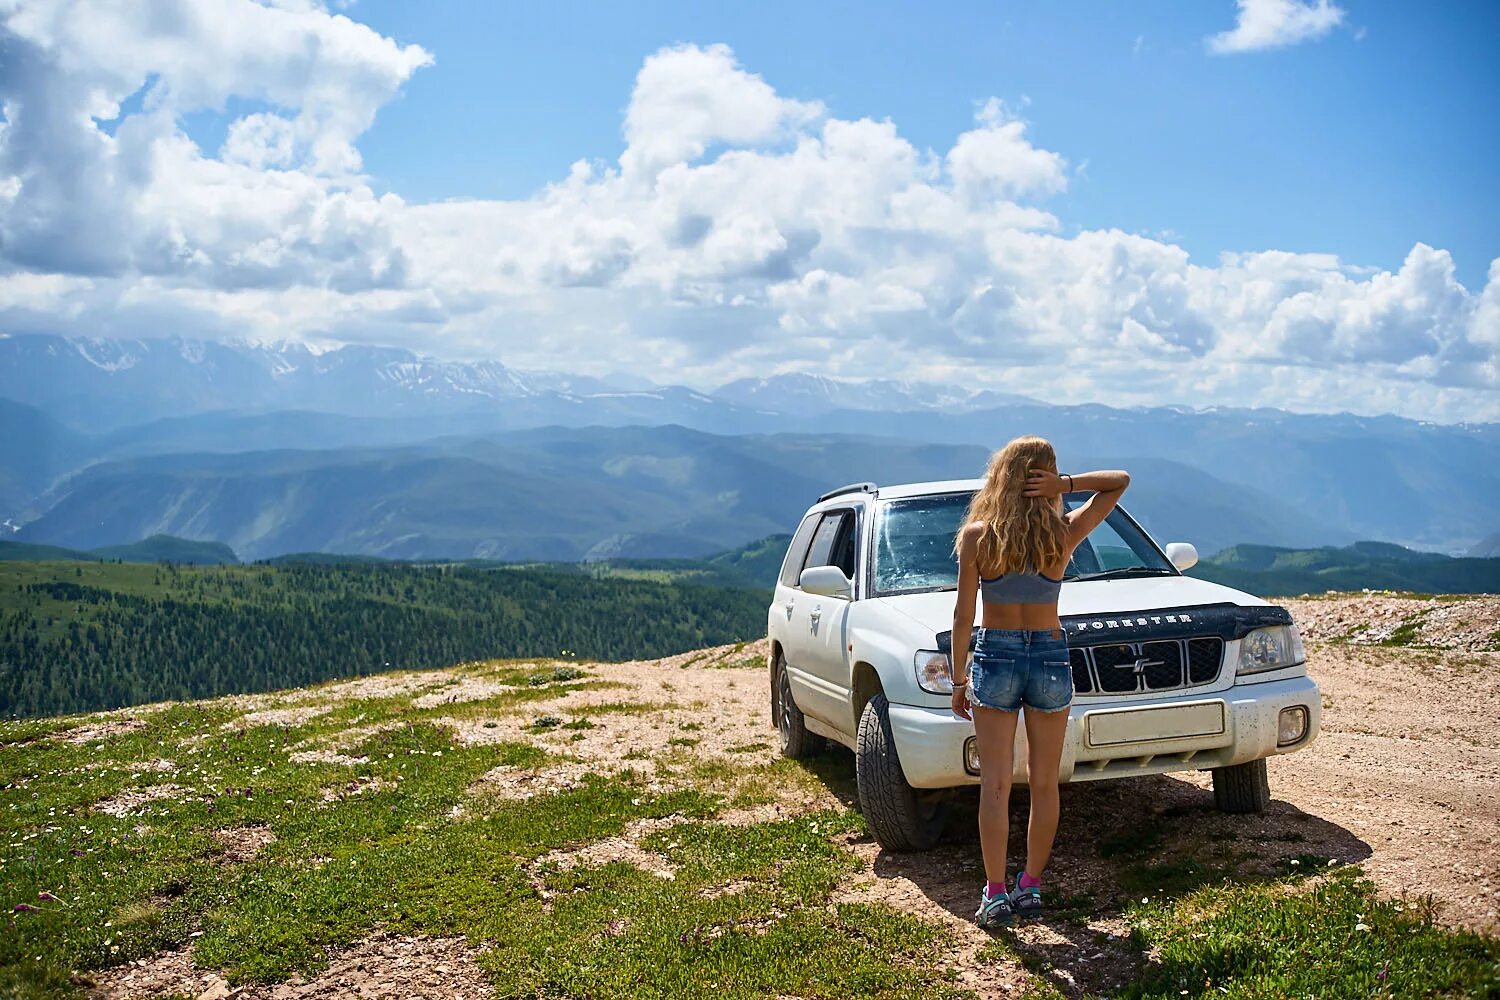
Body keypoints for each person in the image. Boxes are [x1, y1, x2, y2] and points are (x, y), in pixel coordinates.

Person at [950, 435, 1129, 927]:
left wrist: (959, 680)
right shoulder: (1062, 532)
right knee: (1045, 782)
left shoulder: (979, 537)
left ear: (1002, 477)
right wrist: (1065, 486)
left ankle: (994, 892)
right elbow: (1119, 484)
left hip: (997, 653)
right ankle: (1030, 885)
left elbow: (965, 615)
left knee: (996, 786)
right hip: (1050, 654)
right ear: (1044, 478)